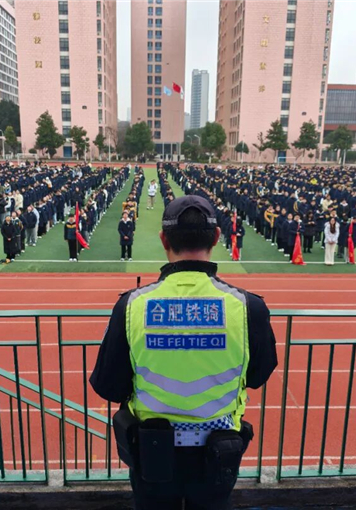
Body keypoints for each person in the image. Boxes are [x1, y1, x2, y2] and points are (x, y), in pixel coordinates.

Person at [90, 195, 277, 510]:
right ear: (216, 237)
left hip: (153, 452)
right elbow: (258, 375)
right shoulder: (249, 307)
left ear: (164, 239)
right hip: (219, 453)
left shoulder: (132, 306)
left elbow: (109, 385)